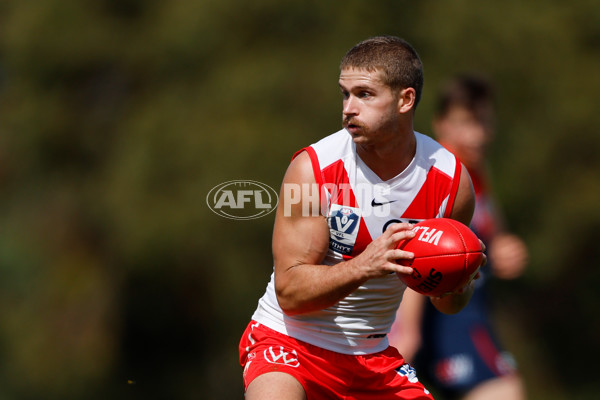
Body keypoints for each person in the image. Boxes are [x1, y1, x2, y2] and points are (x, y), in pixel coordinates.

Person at [238, 36, 486, 400]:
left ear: (406, 100)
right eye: (345, 94)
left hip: (371, 356)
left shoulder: (451, 182)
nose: (348, 109)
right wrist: (364, 265)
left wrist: (458, 280)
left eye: (364, 94)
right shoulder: (312, 169)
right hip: (289, 342)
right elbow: (289, 292)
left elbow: (445, 303)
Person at [389, 74, 528, 400]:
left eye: (484, 123)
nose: (478, 134)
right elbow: (415, 251)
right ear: (441, 124)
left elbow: (490, 237)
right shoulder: (436, 177)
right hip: (443, 321)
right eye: (467, 123)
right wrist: (406, 333)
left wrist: (503, 249)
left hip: (465, 311)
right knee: (504, 391)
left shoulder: (477, 173)